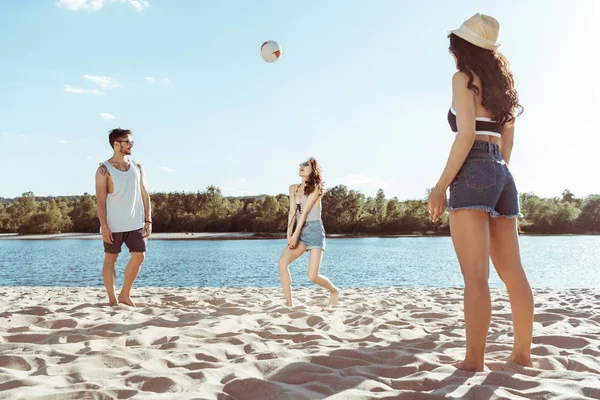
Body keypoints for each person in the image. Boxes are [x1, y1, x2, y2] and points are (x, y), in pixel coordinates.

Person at [427, 14, 534, 371]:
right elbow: (507, 144)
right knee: (513, 273)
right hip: (503, 171)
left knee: (476, 277)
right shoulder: (504, 86)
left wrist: (440, 187)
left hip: (472, 166)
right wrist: (495, 174)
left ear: (462, 46)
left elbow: (466, 134)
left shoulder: (463, 79)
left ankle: (474, 361)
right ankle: (522, 354)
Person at [95, 128, 152, 307]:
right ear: (116, 144)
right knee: (110, 259)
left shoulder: (138, 167)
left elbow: (145, 194)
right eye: (128, 142)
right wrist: (104, 226)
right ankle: (112, 299)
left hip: (135, 223)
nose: (131, 145)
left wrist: (148, 219)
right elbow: (100, 200)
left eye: (131, 141)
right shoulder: (104, 170)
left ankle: (124, 295)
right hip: (113, 225)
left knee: (139, 256)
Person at [278, 158, 340, 307]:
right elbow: (292, 212)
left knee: (312, 276)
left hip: (314, 231)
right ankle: (289, 304)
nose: (302, 166)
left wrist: (295, 234)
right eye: (301, 164)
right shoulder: (293, 188)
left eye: (306, 165)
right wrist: (289, 234)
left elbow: (305, 212)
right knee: (282, 263)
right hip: (299, 231)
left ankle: (334, 291)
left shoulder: (317, 188)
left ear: (313, 170)